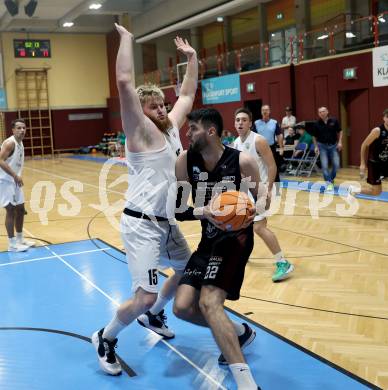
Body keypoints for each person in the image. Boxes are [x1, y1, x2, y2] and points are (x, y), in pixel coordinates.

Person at [92, 23, 198, 375]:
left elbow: (186, 96)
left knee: (186, 270)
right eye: (153, 106)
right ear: (140, 111)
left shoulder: (169, 128)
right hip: (141, 225)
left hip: (166, 223)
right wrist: (126, 40)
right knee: (144, 295)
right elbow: (124, 82)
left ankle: (152, 316)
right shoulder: (139, 131)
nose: (163, 110)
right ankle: (105, 337)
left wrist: (193, 59)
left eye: (162, 104)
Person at [173, 108, 262, 390]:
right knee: (182, 308)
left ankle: (247, 384)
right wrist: (205, 211)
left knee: (209, 303)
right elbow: (179, 209)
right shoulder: (185, 161)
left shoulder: (243, 162)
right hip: (208, 240)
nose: (187, 134)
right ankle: (239, 333)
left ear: (211, 131)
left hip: (235, 240)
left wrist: (248, 208)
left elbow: (264, 200)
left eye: (193, 129)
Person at [232, 108, 294, 282]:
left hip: (261, 190)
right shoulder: (236, 142)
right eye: (237, 120)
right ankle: (242, 255)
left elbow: (272, 166)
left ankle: (283, 262)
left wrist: (267, 190)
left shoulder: (258, 141)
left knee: (259, 227)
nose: (240, 123)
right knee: (242, 225)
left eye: (244, 120)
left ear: (251, 123)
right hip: (246, 192)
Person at [0, 119, 35, 252]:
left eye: (24, 128)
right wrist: (15, 175)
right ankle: (12, 244)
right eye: (19, 128)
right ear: (13, 130)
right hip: (5, 181)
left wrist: (16, 176)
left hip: (15, 181)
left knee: (20, 209)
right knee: (11, 210)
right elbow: (0, 160)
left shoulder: (20, 143)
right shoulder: (10, 143)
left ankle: (20, 239)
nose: (22, 130)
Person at [354, 109, 388, 196]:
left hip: (385, 162)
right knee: (376, 192)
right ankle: (354, 190)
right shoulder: (377, 131)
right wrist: (362, 163)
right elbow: (364, 145)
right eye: (387, 117)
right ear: (384, 118)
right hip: (375, 164)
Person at [310, 107, 342, 191]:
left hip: (333, 145)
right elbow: (313, 136)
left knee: (336, 165)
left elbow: (340, 131)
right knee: (324, 166)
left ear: (327, 112)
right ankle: (329, 183)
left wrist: (340, 142)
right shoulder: (316, 124)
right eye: (320, 112)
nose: (322, 113)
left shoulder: (334, 121)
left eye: (323, 111)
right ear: (318, 114)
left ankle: (330, 180)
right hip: (322, 146)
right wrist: (316, 146)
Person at [254, 104, 283, 184]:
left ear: (269, 111)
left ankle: (277, 187)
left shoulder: (274, 122)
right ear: (261, 112)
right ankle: (262, 185)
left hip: (271, 148)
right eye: (263, 110)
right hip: (259, 149)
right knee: (260, 167)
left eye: (266, 110)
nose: (265, 111)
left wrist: (281, 147)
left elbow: (279, 135)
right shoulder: (256, 123)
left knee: (274, 167)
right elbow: (253, 136)